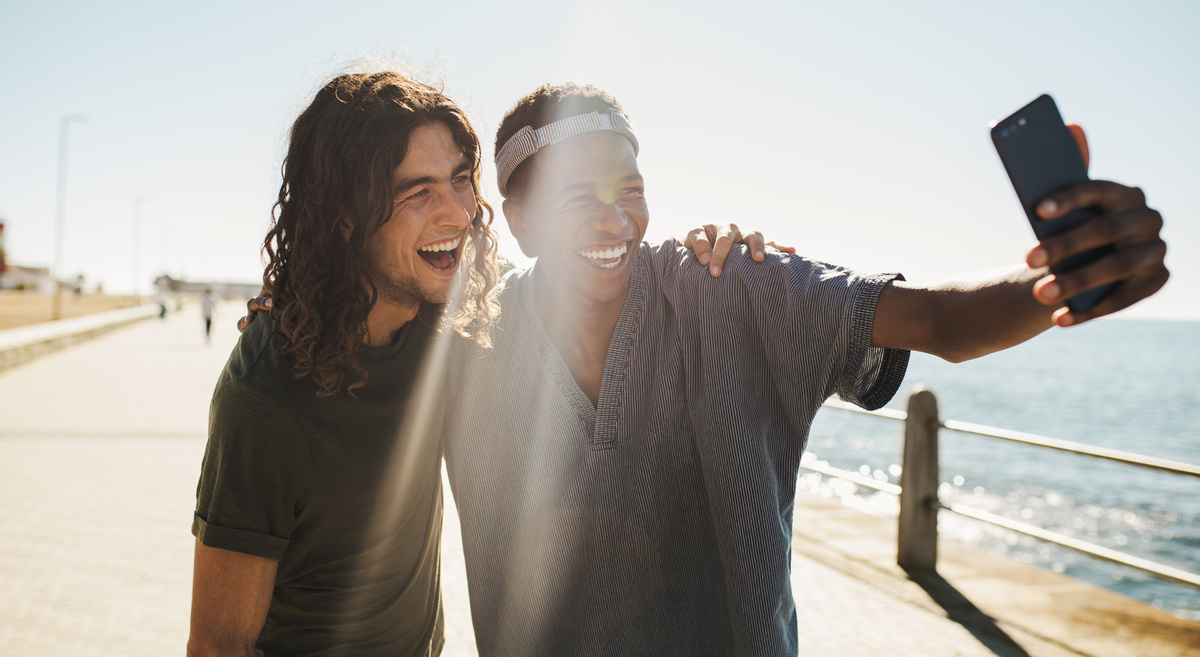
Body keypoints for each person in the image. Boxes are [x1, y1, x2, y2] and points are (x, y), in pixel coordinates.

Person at [441, 83, 1168, 656]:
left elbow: (937, 320)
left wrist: (1061, 280)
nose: (615, 220)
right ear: (520, 218)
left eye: (629, 190)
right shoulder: (466, 341)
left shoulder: (730, 287)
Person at [201, 70, 765, 657]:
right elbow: (216, 644)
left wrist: (722, 254)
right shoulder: (265, 396)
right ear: (343, 215)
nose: (458, 213)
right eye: (418, 192)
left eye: (460, 181)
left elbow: (558, 286)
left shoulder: (441, 326)